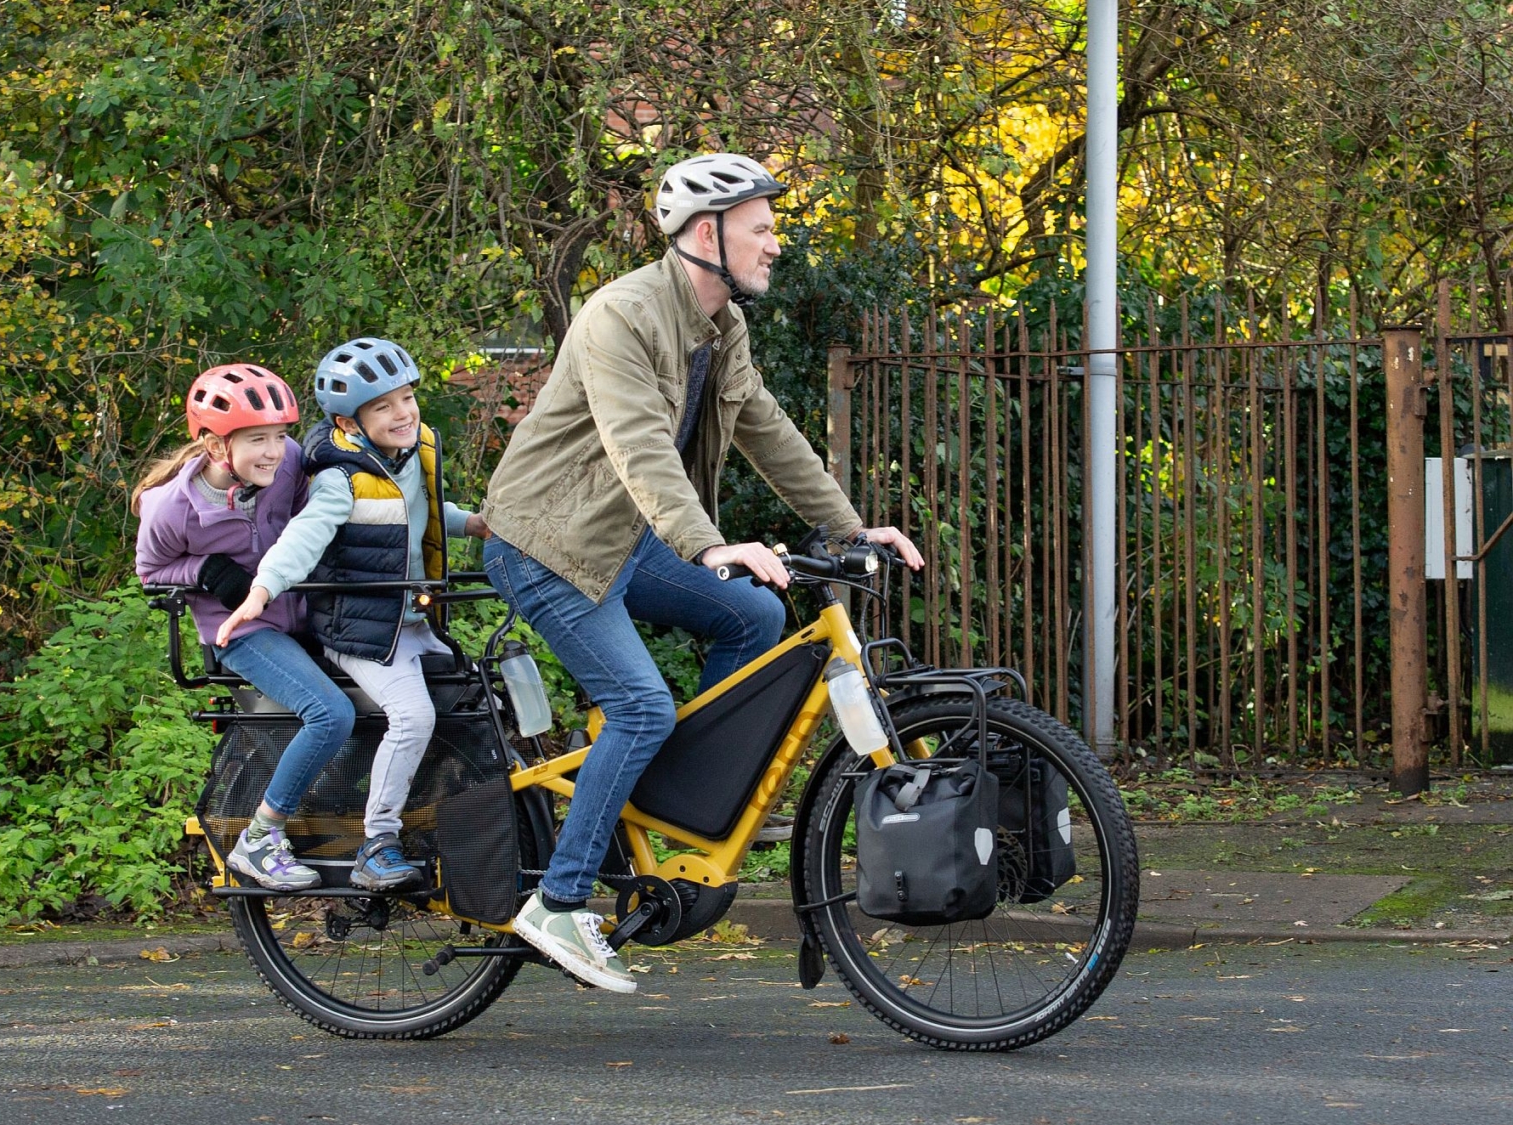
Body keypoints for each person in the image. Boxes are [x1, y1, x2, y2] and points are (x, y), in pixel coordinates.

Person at [480, 152, 925, 993]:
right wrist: (707, 544)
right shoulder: (621, 314)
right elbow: (636, 441)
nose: (775, 246)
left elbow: (767, 428)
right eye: (762, 230)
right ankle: (561, 899)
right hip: (544, 541)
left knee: (753, 620)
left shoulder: (722, 329)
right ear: (705, 234)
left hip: (622, 536)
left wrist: (849, 524)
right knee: (642, 703)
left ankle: (655, 795)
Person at [216, 337, 490, 892]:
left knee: (476, 696)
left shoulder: (411, 455)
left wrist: (476, 523)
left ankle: (444, 816)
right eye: (383, 407)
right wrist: (262, 590)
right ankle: (378, 843)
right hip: (362, 631)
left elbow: (424, 514)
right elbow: (305, 535)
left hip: (410, 623)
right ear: (351, 422)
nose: (403, 413)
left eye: (407, 398)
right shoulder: (340, 478)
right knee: (414, 717)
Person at [134, 364, 356, 892]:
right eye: (257, 440)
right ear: (215, 449)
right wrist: (205, 572)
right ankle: (260, 838)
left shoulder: (289, 466)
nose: (275, 452)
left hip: (306, 614)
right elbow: (150, 573)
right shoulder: (172, 509)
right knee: (329, 714)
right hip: (242, 634)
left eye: (279, 436)